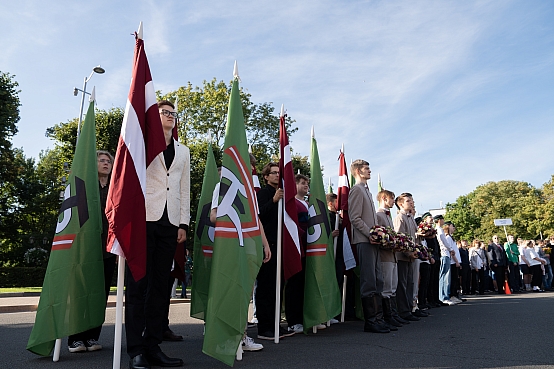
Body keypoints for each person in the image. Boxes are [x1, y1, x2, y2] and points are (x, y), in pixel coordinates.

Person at [126, 100, 190, 369]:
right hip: (143, 220)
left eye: (174, 113)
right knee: (138, 286)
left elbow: (184, 187)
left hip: (170, 223)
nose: (171, 116)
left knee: (160, 288)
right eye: (165, 112)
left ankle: (153, 346)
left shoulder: (184, 151)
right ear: (154, 116)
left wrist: (184, 224)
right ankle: (136, 350)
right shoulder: (141, 143)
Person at [67, 150, 117, 353]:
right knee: (82, 293)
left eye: (108, 161)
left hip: (107, 250)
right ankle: (75, 338)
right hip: (86, 249)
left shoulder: (115, 189)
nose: (106, 164)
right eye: (101, 161)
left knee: (100, 294)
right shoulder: (86, 188)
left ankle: (92, 336)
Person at [255, 162, 295, 340]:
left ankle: (275, 323)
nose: (277, 175)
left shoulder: (283, 193)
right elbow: (259, 215)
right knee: (266, 287)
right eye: (273, 173)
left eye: (279, 173)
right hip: (267, 244)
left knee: (278, 286)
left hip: (281, 245)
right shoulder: (263, 193)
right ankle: (264, 327)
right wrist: (273, 201)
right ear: (266, 176)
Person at [348, 159, 389, 333]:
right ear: (357, 171)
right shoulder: (357, 190)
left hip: (372, 241)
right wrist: (370, 234)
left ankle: (378, 318)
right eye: (366, 168)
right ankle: (371, 321)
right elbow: (355, 218)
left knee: (378, 279)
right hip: (364, 241)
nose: (369, 171)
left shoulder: (367, 191)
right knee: (369, 281)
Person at [394, 193, 425, 321]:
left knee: (409, 283)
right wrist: (408, 252)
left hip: (411, 255)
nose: (411, 202)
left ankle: (409, 308)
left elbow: (413, 238)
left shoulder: (410, 218)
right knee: (402, 284)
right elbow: (399, 238)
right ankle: (403, 311)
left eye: (412, 200)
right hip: (403, 256)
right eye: (408, 201)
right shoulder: (400, 218)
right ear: (400, 204)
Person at [375, 189, 402, 329]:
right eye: (391, 199)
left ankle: (393, 314)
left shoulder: (388, 216)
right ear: (384, 198)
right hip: (385, 256)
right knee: (386, 287)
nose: (393, 201)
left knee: (392, 286)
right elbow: (378, 236)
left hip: (392, 256)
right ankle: (387, 316)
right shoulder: (379, 215)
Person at [436, 216, 455, 305]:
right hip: (444, 253)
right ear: (439, 220)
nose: (443, 221)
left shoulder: (440, 229)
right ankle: (443, 296)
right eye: (442, 219)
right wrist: (450, 249)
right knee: (444, 276)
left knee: (445, 276)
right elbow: (443, 240)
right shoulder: (439, 230)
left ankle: (444, 296)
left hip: (446, 254)